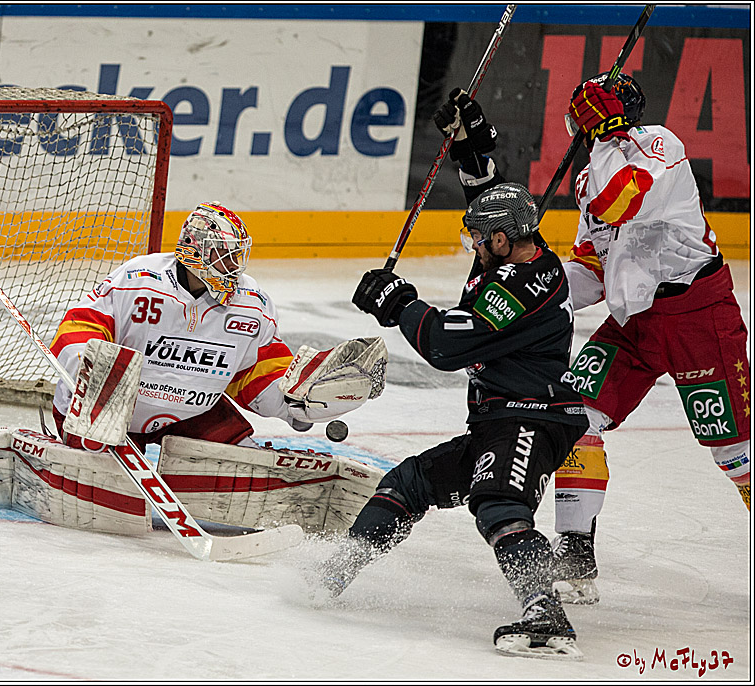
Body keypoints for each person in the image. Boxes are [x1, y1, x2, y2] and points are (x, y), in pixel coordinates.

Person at [318, 92, 589, 660]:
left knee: (499, 505)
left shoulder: (524, 285)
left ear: (501, 240)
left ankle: (546, 615)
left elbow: (445, 345)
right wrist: (470, 145)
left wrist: (398, 303)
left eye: (478, 240)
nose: (473, 247)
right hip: (500, 416)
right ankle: (333, 573)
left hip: (533, 417)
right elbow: (490, 201)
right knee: (407, 483)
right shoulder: (515, 249)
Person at [551, 73, 750, 604]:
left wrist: (607, 135)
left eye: (585, 118)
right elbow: (593, 268)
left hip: (697, 317)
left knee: (737, 453)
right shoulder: (590, 174)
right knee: (572, 414)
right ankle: (574, 553)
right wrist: (536, 288)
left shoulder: (660, 144)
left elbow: (621, 201)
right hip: (635, 321)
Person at [49, 200, 384, 451]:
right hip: (105, 410)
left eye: (238, 256)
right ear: (195, 251)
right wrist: (87, 370)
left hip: (190, 413)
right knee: (99, 455)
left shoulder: (252, 304)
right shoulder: (138, 280)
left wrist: (299, 402)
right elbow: (79, 327)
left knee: (245, 465)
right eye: (225, 255)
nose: (235, 266)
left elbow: (256, 373)